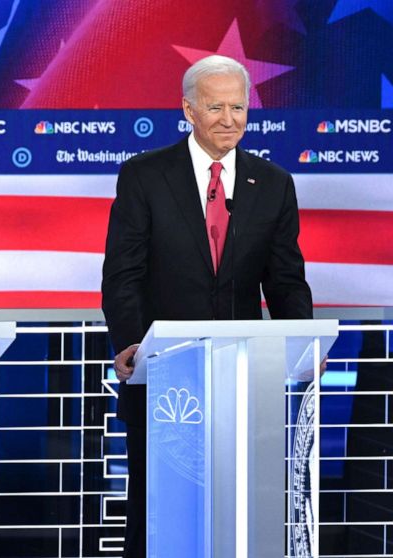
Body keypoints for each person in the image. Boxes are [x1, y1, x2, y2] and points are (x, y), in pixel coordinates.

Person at [101, 55, 313, 558]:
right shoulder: (145, 176)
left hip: (242, 377)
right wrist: (132, 343)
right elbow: (122, 274)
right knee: (156, 508)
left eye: (238, 106)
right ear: (188, 110)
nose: (228, 118)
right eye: (215, 106)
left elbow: (285, 279)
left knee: (238, 501)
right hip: (162, 375)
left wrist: (300, 340)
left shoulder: (274, 183)